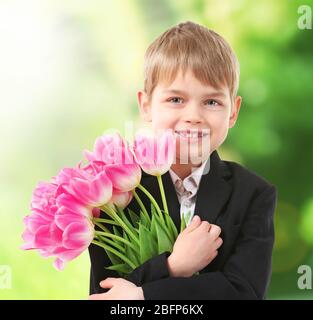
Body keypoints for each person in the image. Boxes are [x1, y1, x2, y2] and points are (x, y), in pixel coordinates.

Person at [88, 20, 277, 300]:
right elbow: (106, 295)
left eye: (212, 102)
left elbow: (243, 292)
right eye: (176, 99)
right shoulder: (115, 194)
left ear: (233, 112)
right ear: (146, 105)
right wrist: (173, 266)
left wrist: (143, 296)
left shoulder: (254, 195)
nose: (194, 116)